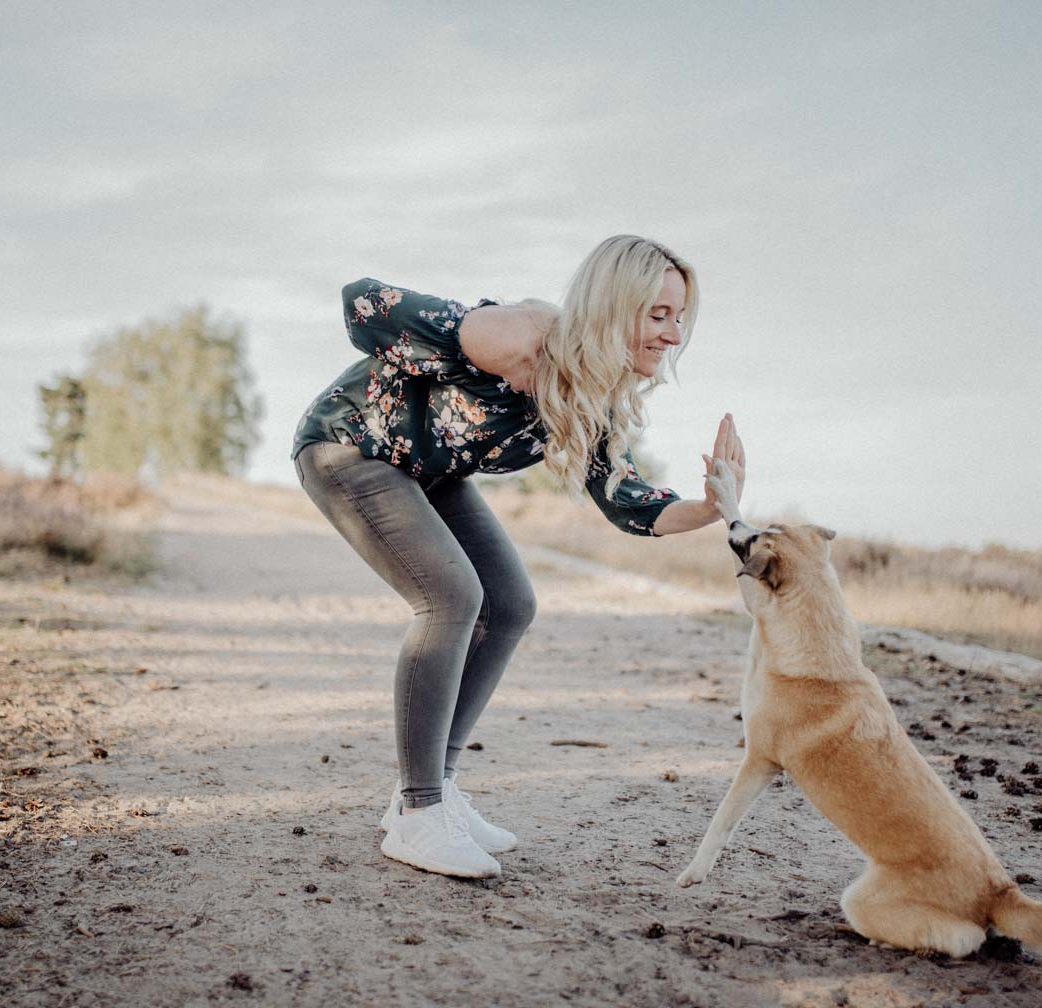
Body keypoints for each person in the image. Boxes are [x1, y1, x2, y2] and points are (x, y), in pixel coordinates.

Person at [290, 234, 746, 879]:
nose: (673, 335)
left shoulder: (594, 393)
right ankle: (419, 815)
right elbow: (362, 304)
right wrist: (489, 336)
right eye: (658, 314)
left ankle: (433, 791)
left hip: (425, 471)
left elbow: (627, 503)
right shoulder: (523, 334)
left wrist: (710, 505)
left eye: (679, 318)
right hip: (348, 447)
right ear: (614, 305)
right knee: (451, 598)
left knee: (510, 604)